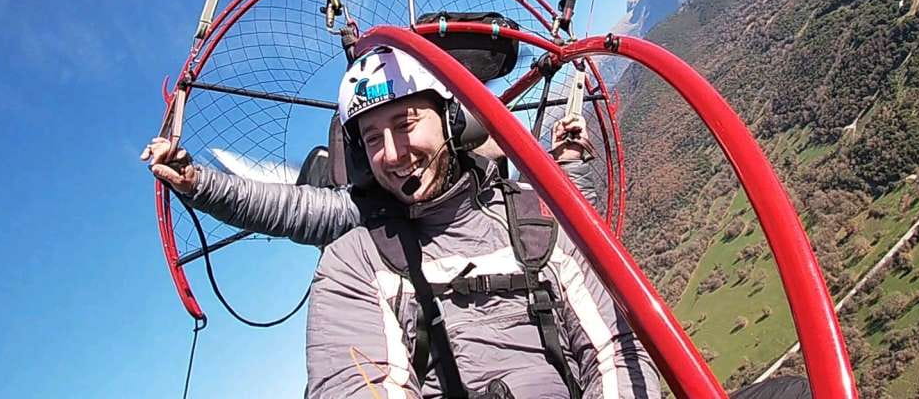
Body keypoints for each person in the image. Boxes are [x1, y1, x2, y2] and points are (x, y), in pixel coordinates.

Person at [143, 46, 659, 398]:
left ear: (452, 120)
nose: (393, 154)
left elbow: (614, 348)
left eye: (406, 123)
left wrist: (569, 167)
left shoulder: (528, 217)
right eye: (371, 139)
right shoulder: (360, 249)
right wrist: (197, 183)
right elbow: (289, 209)